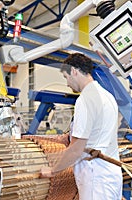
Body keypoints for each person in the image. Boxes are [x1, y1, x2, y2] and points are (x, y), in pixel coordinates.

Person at [40, 53, 123, 199]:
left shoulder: (85, 99)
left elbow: (76, 150)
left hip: (95, 176)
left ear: (74, 71)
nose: (67, 83)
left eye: (66, 77)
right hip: (110, 174)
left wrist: (52, 171)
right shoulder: (107, 96)